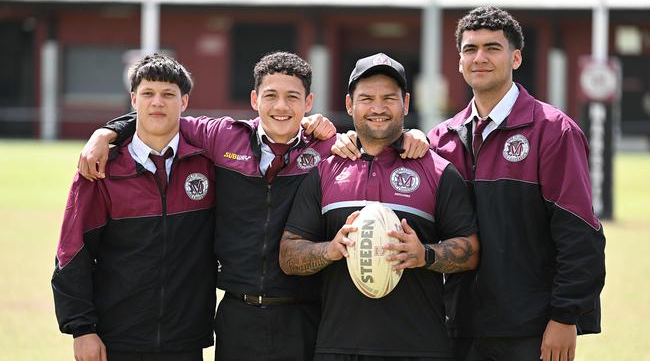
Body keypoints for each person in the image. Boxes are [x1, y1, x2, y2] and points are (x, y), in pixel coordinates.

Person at [76, 51, 430, 360]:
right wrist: (106, 133)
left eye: (292, 97)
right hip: (236, 314)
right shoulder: (221, 136)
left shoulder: (330, 148)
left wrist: (411, 136)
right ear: (253, 99)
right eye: (271, 95)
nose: (280, 106)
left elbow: (374, 140)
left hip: (305, 316)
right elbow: (161, 116)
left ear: (308, 103)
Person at [426, 7, 606, 361]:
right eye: (470, 49)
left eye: (492, 48)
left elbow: (580, 232)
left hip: (531, 328)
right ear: (460, 61)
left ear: (516, 58)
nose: (479, 57)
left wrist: (564, 316)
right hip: (458, 325)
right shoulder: (440, 139)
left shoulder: (554, 131)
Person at [279, 52, 480, 360]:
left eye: (389, 98)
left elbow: (471, 251)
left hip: (420, 349)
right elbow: (289, 255)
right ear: (349, 105)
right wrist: (330, 250)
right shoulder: (325, 171)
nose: (377, 108)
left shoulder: (437, 171)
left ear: (406, 103)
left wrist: (422, 255)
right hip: (339, 348)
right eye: (366, 98)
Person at [52, 54, 217, 361]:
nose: (158, 102)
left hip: (186, 340)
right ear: (133, 99)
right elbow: (72, 251)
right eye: (148, 94)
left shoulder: (208, 164)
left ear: (184, 102)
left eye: (168, 94)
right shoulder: (101, 169)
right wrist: (82, 329)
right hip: (117, 339)